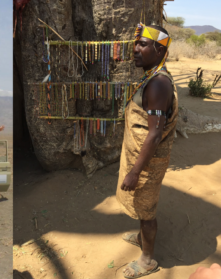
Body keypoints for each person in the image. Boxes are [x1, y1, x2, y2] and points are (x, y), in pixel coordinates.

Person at [117, 24, 177, 278]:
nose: (136, 49)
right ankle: (142, 237)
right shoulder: (152, 77)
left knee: (147, 210)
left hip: (148, 164)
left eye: (143, 44)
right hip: (142, 158)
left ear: (159, 49)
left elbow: (153, 134)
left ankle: (147, 260)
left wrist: (135, 172)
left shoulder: (158, 84)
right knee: (141, 206)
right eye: (136, 43)